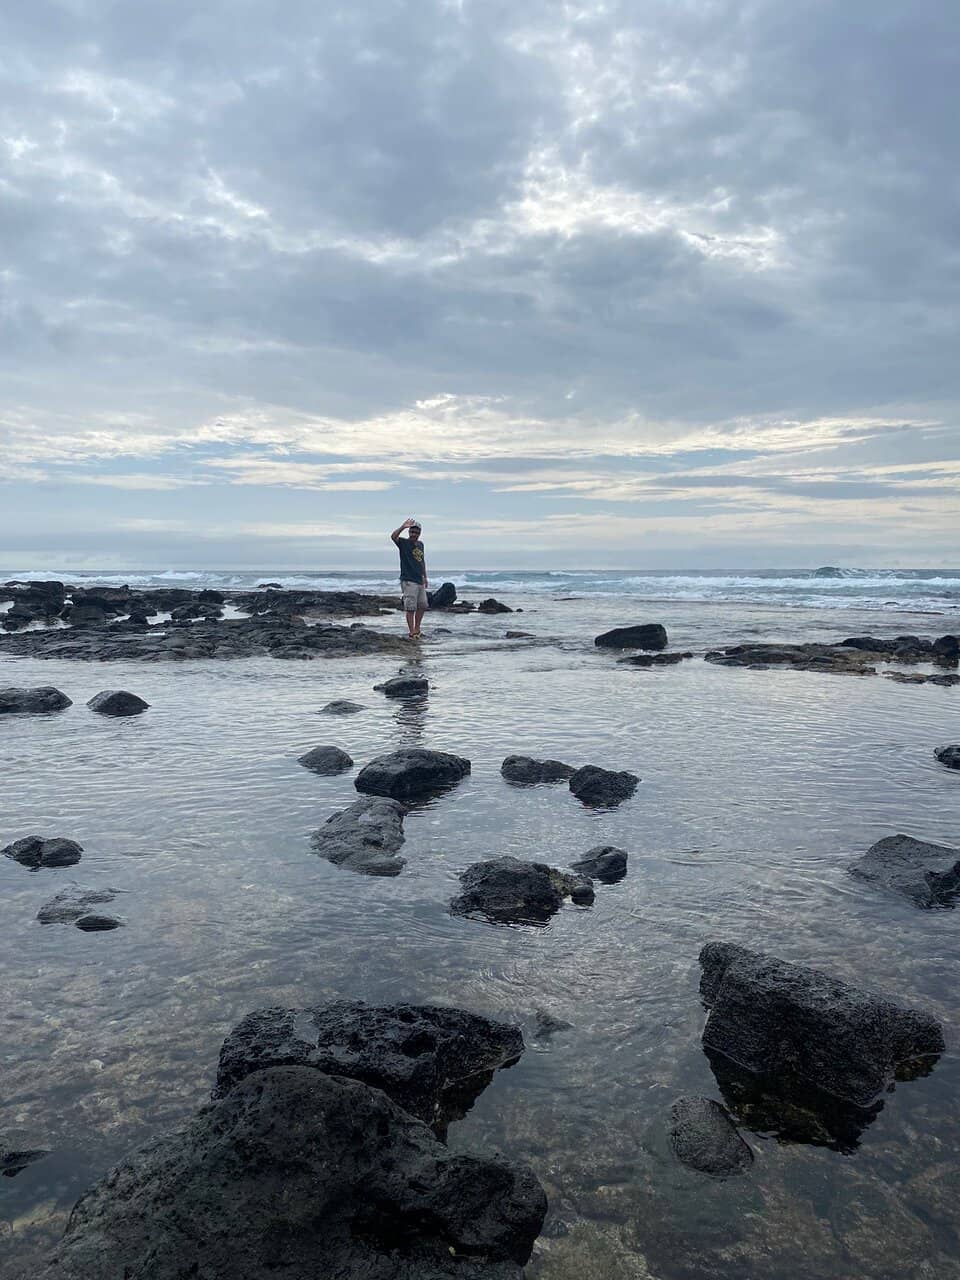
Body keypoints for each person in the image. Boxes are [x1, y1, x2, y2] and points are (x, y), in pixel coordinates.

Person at [390, 517, 428, 638]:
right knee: (410, 607)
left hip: (419, 580)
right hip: (408, 580)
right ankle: (412, 632)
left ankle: (417, 629)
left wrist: (425, 577)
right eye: (412, 532)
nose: (414, 534)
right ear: (409, 532)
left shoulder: (420, 545)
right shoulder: (403, 543)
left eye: (416, 533)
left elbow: (422, 561)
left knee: (422, 605)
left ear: (419, 533)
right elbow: (393, 537)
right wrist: (403, 526)